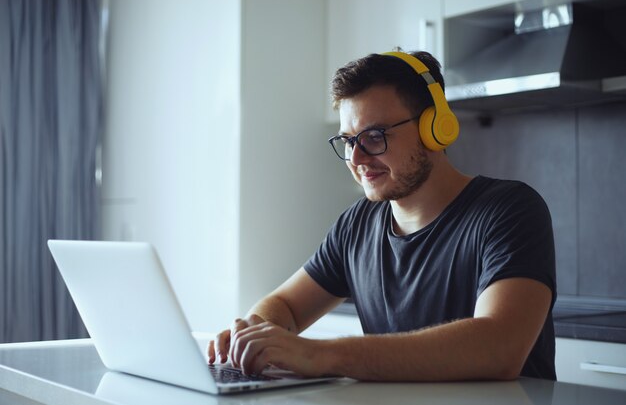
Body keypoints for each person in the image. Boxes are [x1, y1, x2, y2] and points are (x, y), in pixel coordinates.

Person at [208, 50, 556, 382]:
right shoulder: (356, 225)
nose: (357, 159)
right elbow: (286, 305)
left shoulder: (509, 210)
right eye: (348, 141)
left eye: (374, 136)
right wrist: (256, 334)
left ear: (434, 127)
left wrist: (322, 355)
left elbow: (499, 347)